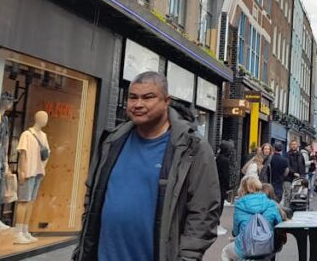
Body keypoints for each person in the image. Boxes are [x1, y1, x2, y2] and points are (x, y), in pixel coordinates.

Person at [73, 71, 221, 261]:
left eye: (148, 97)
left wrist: (187, 257)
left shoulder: (191, 148)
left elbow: (204, 212)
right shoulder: (112, 141)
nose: (138, 104)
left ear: (166, 101)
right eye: (133, 97)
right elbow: (92, 194)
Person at [222, 176, 285, 261]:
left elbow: (236, 232)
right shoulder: (271, 203)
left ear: (242, 189)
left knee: (225, 252)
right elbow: (279, 224)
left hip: (245, 249)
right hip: (266, 247)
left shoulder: (239, 205)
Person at [217, 140, 235, 206]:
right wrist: (228, 187)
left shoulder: (218, 157)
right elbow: (226, 175)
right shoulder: (225, 160)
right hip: (222, 185)